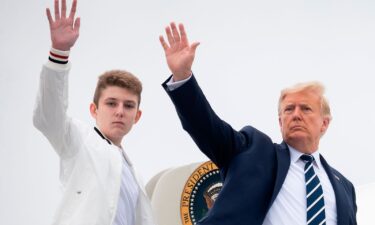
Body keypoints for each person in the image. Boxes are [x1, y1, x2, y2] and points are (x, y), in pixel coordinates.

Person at [159, 22, 357, 225]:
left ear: (324, 123)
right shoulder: (253, 151)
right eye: (289, 109)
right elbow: (207, 128)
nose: (296, 115)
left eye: (306, 109)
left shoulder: (345, 188)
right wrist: (183, 77)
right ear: (280, 121)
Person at [33, 0, 155, 224]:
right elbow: (48, 117)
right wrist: (59, 52)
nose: (120, 111)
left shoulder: (135, 176)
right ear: (94, 109)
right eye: (111, 103)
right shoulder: (79, 140)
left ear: (137, 116)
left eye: (128, 106)